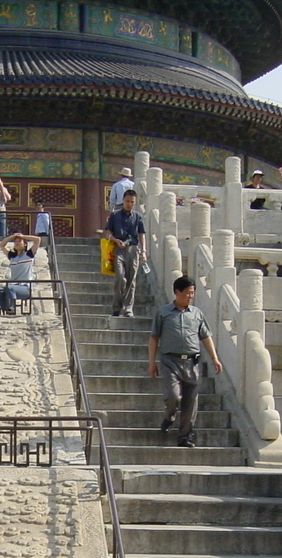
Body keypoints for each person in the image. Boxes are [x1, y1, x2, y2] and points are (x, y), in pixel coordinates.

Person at [148, 275, 222, 449]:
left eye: (192, 293)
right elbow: (154, 338)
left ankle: (185, 437)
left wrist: (214, 358)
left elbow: (206, 337)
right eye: (187, 293)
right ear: (177, 292)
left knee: (191, 402)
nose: (190, 296)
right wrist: (152, 363)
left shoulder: (197, 314)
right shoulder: (164, 312)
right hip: (169, 361)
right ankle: (170, 415)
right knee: (173, 396)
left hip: (192, 363)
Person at [101, 189, 147, 317]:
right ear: (123, 200)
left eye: (132, 202)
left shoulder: (137, 217)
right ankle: (116, 307)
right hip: (119, 249)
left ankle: (128, 308)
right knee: (120, 278)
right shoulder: (115, 215)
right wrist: (115, 240)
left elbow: (141, 234)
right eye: (127, 201)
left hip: (133, 249)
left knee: (131, 280)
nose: (129, 204)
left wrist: (143, 251)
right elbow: (108, 232)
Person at [0, 233, 40, 314]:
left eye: (19, 241)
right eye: (15, 241)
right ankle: (6, 310)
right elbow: (2, 245)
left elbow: (38, 240)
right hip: (13, 286)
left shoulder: (29, 254)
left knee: (10, 288)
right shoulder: (12, 256)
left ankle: (11, 308)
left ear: (25, 244)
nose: (17, 243)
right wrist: (11, 237)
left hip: (25, 287)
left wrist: (23, 236)